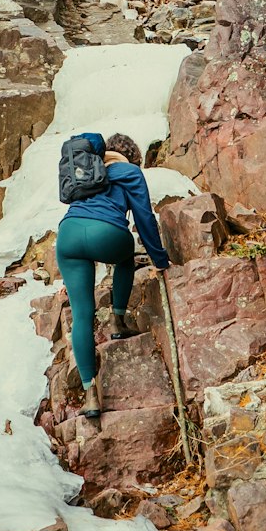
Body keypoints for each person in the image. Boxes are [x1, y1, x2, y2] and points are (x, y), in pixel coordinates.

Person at [55, 131, 170, 421]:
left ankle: (90, 393)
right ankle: (118, 319)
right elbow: (144, 218)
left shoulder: (85, 170)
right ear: (134, 158)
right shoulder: (129, 171)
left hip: (68, 236)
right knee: (126, 257)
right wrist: (160, 260)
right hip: (107, 235)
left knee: (82, 315)